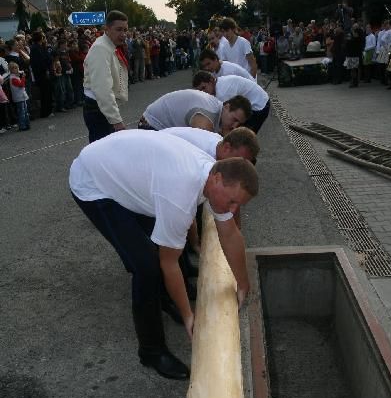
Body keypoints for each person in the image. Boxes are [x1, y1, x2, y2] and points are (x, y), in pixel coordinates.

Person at [69, 130, 259, 380]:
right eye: (232, 201)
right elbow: (168, 262)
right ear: (217, 178)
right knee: (146, 267)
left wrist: (243, 284)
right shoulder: (180, 195)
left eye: (238, 205)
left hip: (125, 172)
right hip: (93, 182)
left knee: (162, 244)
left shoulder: (213, 176)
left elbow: (230, 234)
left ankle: (165, 300)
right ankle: (151, 351)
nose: (233, 210)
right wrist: (189, 316)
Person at [83, 10, 129, 143]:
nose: (123, 34)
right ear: (107, 29)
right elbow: (102, 88)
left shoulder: (108, 45)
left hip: (100, 107)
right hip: (97, 108)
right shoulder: (101, 48)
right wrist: (116, 120)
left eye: (125, 30)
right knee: (104, 151)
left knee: (107, 149)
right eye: (119, 29)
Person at [138, 89, 252, 136]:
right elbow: (200, 148)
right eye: (235, 120)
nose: (235, 126)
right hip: (151, 125)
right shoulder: (207, 116)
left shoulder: (217, 107)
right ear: (227, 107)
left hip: (161, 125)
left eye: (239, 123)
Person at [193, 71, 270, 134]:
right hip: (255, 99)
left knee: (244, 135)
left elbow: (222, 117)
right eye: (200, 91)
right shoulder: (218, 83)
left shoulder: (223, 92)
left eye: (204, 87)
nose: (203, 92)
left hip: (260, 104)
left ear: (211, 81)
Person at [8, 61, 30, 131]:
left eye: (17, 68)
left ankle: (27, 124)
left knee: (25, 111)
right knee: (21, 112)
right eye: (14, 68)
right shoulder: (12, 78)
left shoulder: (15, 76)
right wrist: (23, 77)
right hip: (19, 97)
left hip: (22, 96)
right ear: (11, 70)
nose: (17, 69)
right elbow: (21, 85)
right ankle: (22, 126)